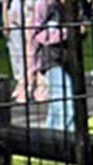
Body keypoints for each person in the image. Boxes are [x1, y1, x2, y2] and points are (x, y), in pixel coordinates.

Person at [32, 0, 75, 132]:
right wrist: (65, 33)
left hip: (69, 58)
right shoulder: (45, 4)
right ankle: (66, 136)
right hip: (51, 58)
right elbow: (35, 34)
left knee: (57, 101)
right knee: (66, 96)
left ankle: (51, 135)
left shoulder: (73, 6)